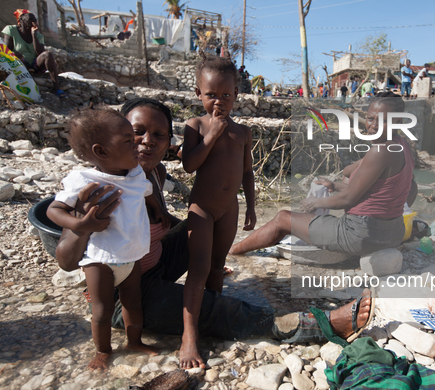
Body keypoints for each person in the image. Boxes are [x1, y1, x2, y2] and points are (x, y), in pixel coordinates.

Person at [54, 98, 379, 368]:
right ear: (116, 138)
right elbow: (67, 260)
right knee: (215, 310)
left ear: (170, 143)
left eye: (159, 134)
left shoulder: (152, 173)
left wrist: (187, 235)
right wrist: (83, 226)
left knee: (200, 224)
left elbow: (163, 219)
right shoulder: (100, 187)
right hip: (126, 293)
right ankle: (315, 324)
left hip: (152, 266)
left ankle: (209, 270)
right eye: (135, 133)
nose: (146, 141)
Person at [229, 92, 418, 257]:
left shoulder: (381, 150)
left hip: (362, 235)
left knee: (283, 218)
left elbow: (349, 198)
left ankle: (232, 252)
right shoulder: (402, 145)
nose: (374, 126)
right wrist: (335, 186)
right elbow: (388, 191)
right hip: (392, 233)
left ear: (398, 121)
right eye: (370, 118)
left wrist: (316, 202)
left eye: (383, 120)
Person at [47, 108, 164, 370]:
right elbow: (53, 211)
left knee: (133, 304)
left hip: (131, 256)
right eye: (127, 139)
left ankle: (134, 342)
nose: (136, 143)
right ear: (101, 152)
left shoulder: (135, 174)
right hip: (99, 259)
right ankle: (102, 352)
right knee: (101, 310)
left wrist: (158, 208)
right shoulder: (84, 179)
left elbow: (145, 193)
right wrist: (81, 223)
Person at [181, 54, 256, 369]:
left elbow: (247, 172)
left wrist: (252, 205)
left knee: (217, 266)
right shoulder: (195, 125)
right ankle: (188, 336)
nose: (219, 102)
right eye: (211, 94)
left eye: (226, 95)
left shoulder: (242, 132)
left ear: (236, 95)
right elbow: (188, 165)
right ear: (199, 94)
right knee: (197, 270)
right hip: (202, 209)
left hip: (230, 209)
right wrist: (210, 136)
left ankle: (209, 317)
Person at [2, 9, 65, 98]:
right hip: (19, 64)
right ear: (21, 21)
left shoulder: (39, 36)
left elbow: (40, 53)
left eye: (34, 20)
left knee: (48, 54)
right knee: (17, 56)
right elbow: (6, 51)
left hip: (35, 65)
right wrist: (15, 54)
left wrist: (34, 34)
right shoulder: (11, 30)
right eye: (30, 19)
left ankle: (56, 87)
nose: (33, 22)